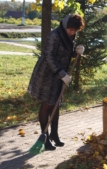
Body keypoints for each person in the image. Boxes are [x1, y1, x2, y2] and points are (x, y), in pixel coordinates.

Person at [28, 14, 85, 151]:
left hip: (60, 74)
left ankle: (54, 134)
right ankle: (45, 138)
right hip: (47, 74)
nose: (72, 33)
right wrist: (61, 73)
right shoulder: (54, 35)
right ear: (66, 25)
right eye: (71, 30)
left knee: (56, 104)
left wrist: (76, 52)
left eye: (75, 31)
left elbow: (65, 53)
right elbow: (49, 56)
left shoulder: (69, 36)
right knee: (47, 104)